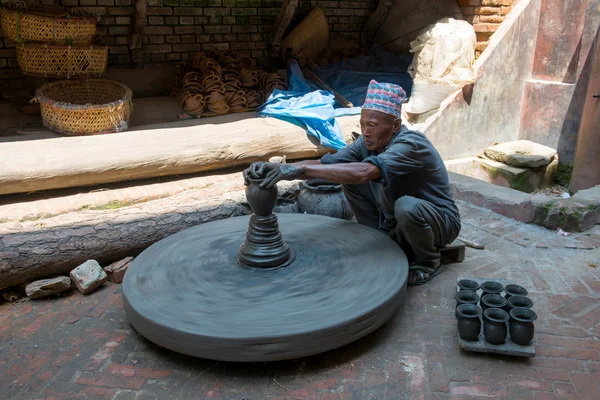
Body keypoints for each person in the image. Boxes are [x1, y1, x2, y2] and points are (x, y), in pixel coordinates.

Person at [244, 80, 461, 286]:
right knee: (348, 181)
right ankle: (383, 240)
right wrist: (280, 169)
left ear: (395, 125)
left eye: (373, 125)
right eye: (362, 124)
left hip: (439, 221)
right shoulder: (367, 143)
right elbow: (325, 163)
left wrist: (299, 170)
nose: (365, 132)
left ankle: (429, 262)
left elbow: (364, 172)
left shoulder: (411, 144)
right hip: (396, 219)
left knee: (406, 206)